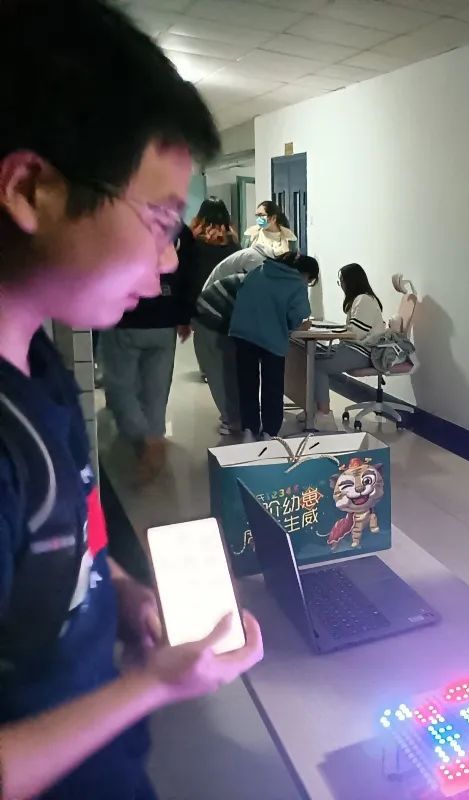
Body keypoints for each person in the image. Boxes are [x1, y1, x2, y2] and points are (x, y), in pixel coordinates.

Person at [0, 2, 263, 797]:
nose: (169, 259)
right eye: (158, 219)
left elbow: (64, 544)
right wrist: (152, 686)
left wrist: (116, 591)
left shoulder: (36, 362)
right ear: (31, 189)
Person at [98, 222, 198, 483]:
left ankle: (144, 438)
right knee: (157, 389)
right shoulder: (178, 229)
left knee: (120, 386)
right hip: (164, 319)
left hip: (125, 318)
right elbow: (189, 273)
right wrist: (184, 315)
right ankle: (154, 438)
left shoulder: (117, 219)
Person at [228, 253, 319, 440]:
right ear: (305, 273)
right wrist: (298, 325)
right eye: (309, 280)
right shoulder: (296, 282)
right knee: (272, 386)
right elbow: (297, 316)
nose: (307, 283)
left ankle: (249, 429)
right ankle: (269, 432)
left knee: (247, 383)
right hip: (271, 338)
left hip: (242, 333)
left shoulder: (258, 271)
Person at [188, 199, 243, 435]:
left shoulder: (193, 243)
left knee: (214, 368)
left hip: (204, 311)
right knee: (233, 366)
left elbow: (187, 279)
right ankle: (241, 412)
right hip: (232, 311)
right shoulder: (234, 244)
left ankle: (230, 417)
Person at [312, 263, 387, 430]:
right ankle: (312, 409)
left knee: (318, 365)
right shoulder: (359, 300)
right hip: (354, 348)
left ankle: (324, 416)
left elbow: (356, 333)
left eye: (341, 281)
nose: (341, 285)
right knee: (312, 356)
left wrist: (335, 331)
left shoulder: (364, 300)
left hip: (364, 352)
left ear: (351, 281)